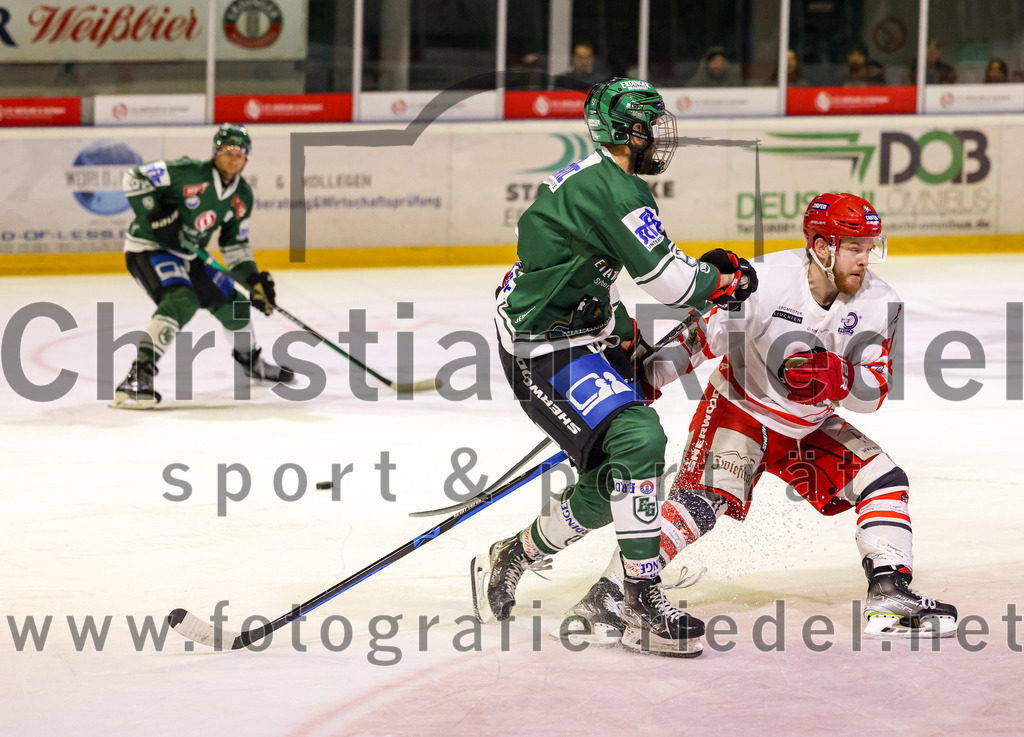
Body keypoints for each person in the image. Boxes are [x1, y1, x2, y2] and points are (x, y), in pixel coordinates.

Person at [560, 192, 959, 644]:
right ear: (821, 247)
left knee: (884, 480)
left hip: (808, 426)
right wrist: (648, 378)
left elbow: (875, 390)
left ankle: (888, 593)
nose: (866, 259)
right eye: (854, 247)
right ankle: (609, 595)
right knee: (698, 504)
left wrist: (839, 377)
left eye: (870, 247)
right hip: (739, 411)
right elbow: (700, 338)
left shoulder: (881, 302)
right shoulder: (765, 280)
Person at [471, 77, 758, 657]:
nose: (660, 136)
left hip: (581, 331)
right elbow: (674, 285)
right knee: (640, 439)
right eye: (651, 125)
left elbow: (594, 273)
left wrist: (623, 336)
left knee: (609, 487)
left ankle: (514, 554)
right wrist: (722, 279)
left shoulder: (605, 182)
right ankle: (639, 595)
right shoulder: (617, 192)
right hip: (543, 348)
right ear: (628, 130)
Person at [109, 123, 294, 409]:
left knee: (236, 306)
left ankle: (251, 362)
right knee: (181, 299)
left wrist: (254, 280)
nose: (234, 159)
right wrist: (156, 216)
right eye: (229, 152)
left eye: (241, 154)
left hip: (188, 254)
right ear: (216, 152)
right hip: (149, 247)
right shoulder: (188, 171)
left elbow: (235, 245)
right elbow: (135, 178)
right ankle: (137, 377)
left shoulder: (241, 196)